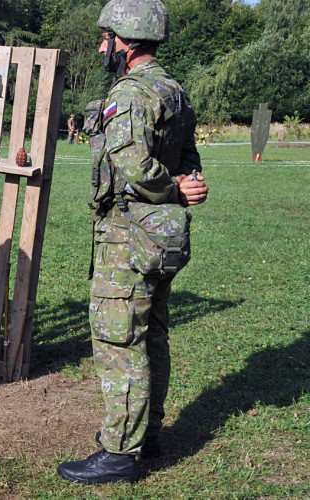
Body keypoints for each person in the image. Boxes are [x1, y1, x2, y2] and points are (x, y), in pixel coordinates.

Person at [56, 0, 209, 485]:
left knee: (119, 340)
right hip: (160, 236)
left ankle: (120, 451)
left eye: (106, 39)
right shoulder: (174, 91)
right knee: (152, 335)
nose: (103, 47)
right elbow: (189, 156)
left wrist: (175, 187)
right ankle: (150, 433)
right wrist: (189, 183)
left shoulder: (129, 94)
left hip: (129, 234)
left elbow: (134, 165)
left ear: (126, 41)